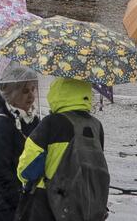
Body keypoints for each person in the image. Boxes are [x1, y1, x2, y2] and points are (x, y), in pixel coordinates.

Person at [16, 78, 109, 221]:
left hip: (49, 203)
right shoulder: (96, 126)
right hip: (85, 203)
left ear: (58, 92)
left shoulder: (51, 123)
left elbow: (27, 169)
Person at [0, 80, 39, 221]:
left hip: (30, 204)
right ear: (11, 94)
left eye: (32, 90)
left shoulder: (34, 120)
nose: (31, 95)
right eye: (25, 91)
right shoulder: (1, 124)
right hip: (8, 208)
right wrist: (20, 199)